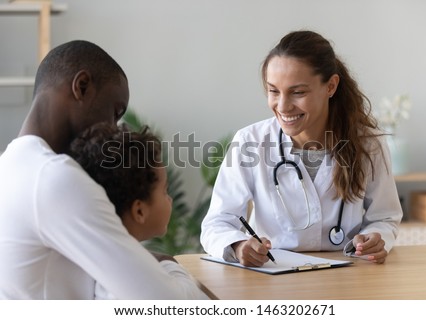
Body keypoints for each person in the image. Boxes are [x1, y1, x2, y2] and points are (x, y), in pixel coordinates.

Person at [0, 40, 206, 299]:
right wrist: (170, 266)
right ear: (82, 86)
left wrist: (139, 259)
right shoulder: (54, 178)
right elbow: (167, 304)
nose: (113, 128)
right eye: (115, 112)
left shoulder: (12, 166)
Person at [200, 30, 403, 267]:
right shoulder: (250, 141)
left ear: (331, 86)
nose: (283, 106)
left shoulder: (369, 143)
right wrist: (238, 245)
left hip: (349, 277)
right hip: (275, 278)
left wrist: (376, 238)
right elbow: (217, 223)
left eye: (297, 92)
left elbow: (385, 217)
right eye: (273, 91)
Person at [69, 122, 207, 299]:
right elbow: (192, 299)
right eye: (165, 191)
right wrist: (170, 264)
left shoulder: (100, 269)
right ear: (139, 211)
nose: (169, 199)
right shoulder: (143, 283)